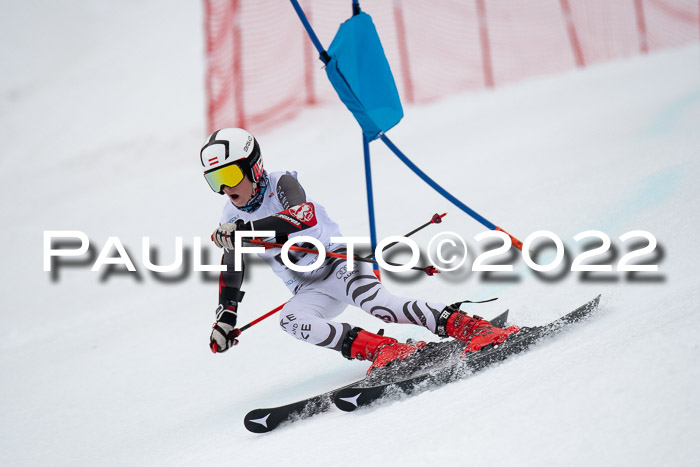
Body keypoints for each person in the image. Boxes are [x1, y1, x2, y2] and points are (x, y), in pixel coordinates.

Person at [202, 128, 518, 372]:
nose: (226, 189)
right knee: (291, 319)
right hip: (307, 288)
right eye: (216, 180)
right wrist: (226, 315)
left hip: (338, 265)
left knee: (383, 307)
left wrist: (247, 231)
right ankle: (383, 349)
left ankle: (472, 327)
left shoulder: (280, 183)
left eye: (230, 175)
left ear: (254, 167)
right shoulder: (231, 216)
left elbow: (301, 216)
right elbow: (232, 265)